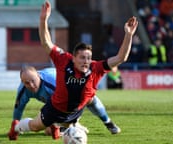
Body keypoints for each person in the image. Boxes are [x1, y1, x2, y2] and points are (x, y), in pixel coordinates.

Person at [14, 0, 138, 140]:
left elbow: (121, 57)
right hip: (54, 108)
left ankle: (81, 125)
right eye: (82, 58)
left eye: (88, 58)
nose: (86, 61)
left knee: (86, 107)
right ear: (73, 58)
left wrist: (128, 35)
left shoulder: (96, 68)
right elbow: (46, 42)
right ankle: (17, 127)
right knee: (36, 127)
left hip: (75, 111)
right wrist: (43, 20)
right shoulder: (63, 60)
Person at [7, 66, 121, 140]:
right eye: (27, 83)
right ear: (22, 82)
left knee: (90, 98)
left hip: (69, 96)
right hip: (53, 105)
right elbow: (19, 108)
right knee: (42, 129)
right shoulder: (23, 90)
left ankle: (108, 122)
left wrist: (73, 120)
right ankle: (17, 127)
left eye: (33, 81)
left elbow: (74, 99)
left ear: (38, 75)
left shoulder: (52, 82)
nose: (31, 85)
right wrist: (14, 122)